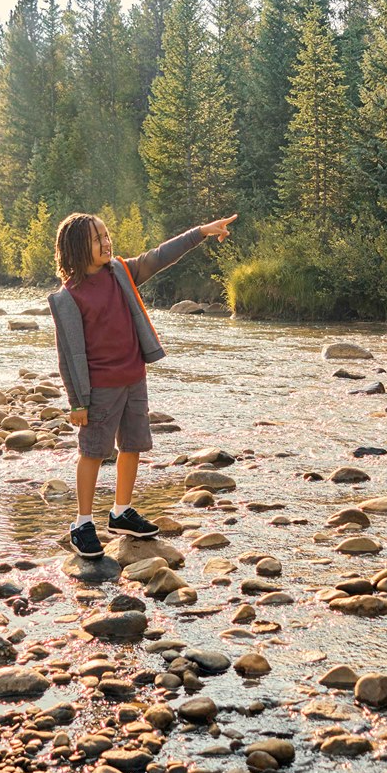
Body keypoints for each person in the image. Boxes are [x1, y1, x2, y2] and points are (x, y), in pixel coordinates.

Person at [49, 210, 237, 558]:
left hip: (134, 377)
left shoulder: (121, 272)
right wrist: (77, 403)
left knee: (132, 445)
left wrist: (201, 231)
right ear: (77, 248)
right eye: (97, 239)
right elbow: (67, 356)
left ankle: (121, 512)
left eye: (107, 235)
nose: (107, 242)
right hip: (99, 389)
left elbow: (160, 256)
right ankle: (82, 523)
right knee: (92, 452)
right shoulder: (69, 297)